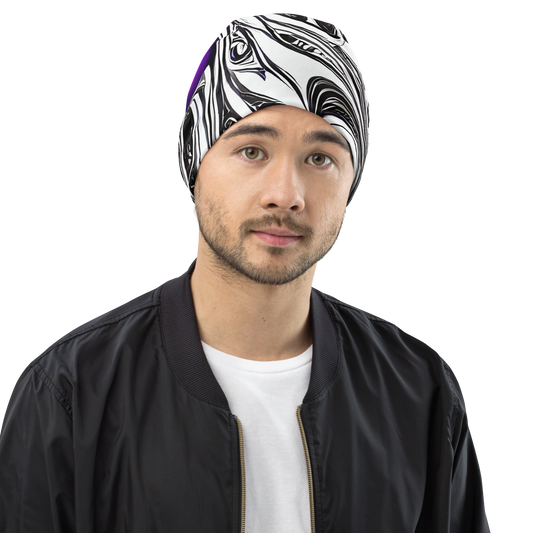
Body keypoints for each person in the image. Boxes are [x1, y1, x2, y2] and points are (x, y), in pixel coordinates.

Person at [0, 11, 491, 533]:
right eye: (252, 150)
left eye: (320, 158)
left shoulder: (421, 388)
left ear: (352, 187)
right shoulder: (70, 389)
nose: (286, 194)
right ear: (194, 166)